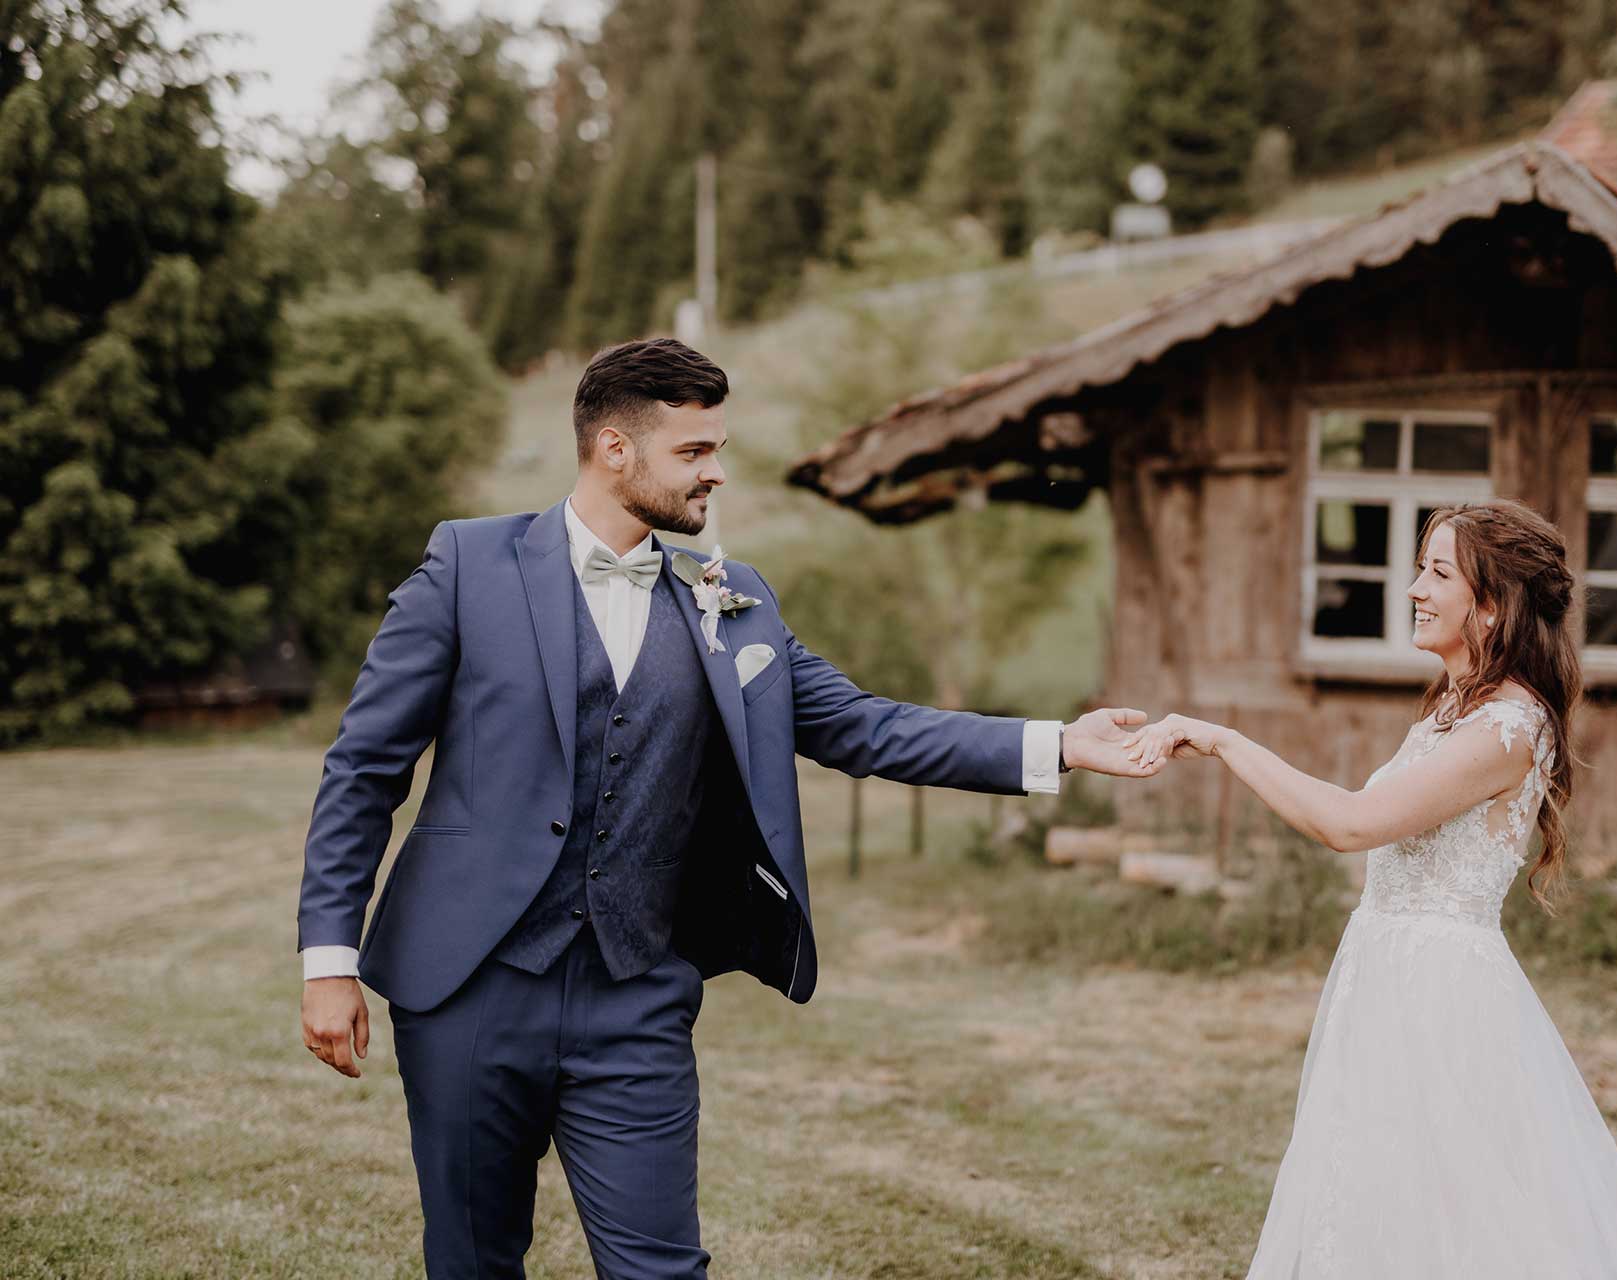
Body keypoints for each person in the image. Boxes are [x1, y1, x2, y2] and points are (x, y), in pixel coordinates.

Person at [295, 337, 1155, 1279]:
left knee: (664, 1271)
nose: (716, 473)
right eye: (694, 452)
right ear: (614, 449)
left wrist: (1062, 745)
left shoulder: (732, 601)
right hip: (468, 989)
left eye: (718, 449)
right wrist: (329, 961)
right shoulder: (467, 565)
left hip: (638, 996)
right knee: (472, 1263)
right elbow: (365, 770)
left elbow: (867, 726)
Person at [1125, 499, 1617, 1279]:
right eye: (1421, 568)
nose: (1414, 587)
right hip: (1383, 969)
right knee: (1370, 1191)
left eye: (1438, 573)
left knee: (1455, 1208)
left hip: (1442, 995)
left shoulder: (1507, 728)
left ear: (1491, 608)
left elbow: (1351, 825)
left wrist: (1224, 741)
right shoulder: (1453, 710)